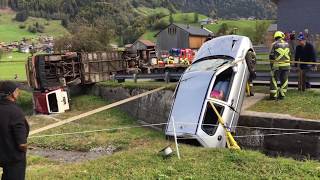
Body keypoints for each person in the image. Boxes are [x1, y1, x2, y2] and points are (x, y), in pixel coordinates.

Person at [0, 81, 29, 180]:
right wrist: (24, 149)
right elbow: (22, 144)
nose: (19, 92)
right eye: (17, 90)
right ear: (12, 93)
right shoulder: (15, 111)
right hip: (13, 158)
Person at [269, 31, 291, 100]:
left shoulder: (274, 44)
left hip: (277, 66)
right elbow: (290, 54)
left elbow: (271, 55)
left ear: (275, 37)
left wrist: (272, 66)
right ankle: (282, 95)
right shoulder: (287, 44)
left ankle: (273, 96)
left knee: (274, 79)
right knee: (284, 80)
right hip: (287, 65)